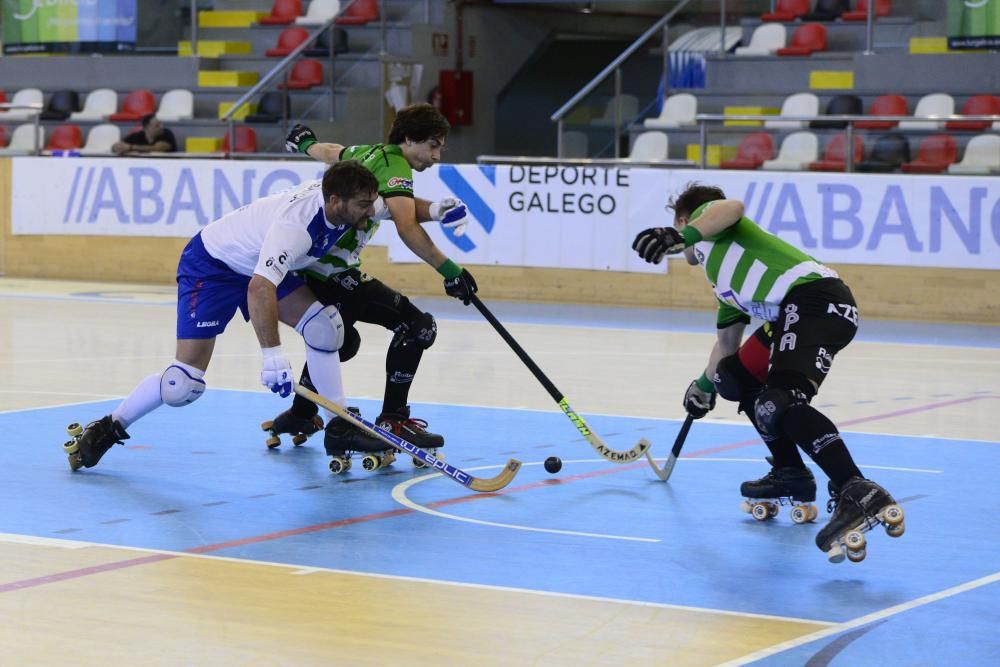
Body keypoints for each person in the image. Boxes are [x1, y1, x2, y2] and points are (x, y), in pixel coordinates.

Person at [632, 182, 904, 561]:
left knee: (779, 400)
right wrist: (704, 387)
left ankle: (856, 489)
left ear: (684, 218)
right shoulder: (726, 286)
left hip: (814, 299)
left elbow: (732, 207)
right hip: (801, 311)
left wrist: (680, 233)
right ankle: (790, 471)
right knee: (734, 376)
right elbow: (727, 346)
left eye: (681, 224)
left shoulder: (709, 225)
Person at [63, 161, 380, 471]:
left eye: (372, 203)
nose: (371, 211)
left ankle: (339, 427)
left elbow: (400, 209)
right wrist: (272, 358)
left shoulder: (347, 200)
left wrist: (433, 211)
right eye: (364, 205)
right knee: (182, 385)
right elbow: (260, 289)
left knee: (324, 328)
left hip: (257, 264)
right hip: (213, 266)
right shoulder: (295, 228)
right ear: (335, 201)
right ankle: (108, 426)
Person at [264, 103, 477, 458]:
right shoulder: (397, 166)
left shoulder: (370, 152)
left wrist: (304, 144)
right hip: (332, 272)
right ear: (409, 140)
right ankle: (394, 420)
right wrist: (451, 272)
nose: (437, 156)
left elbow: (331, 152)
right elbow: (406, 225)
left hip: (315, 269)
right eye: (433, 145)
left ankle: (301, 414)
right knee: (418, 326)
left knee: (341, 341)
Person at [111, 114, 178, 155]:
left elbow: (157, 148)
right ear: (146, 128)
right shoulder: (138, 136)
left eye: (160, 124)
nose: (161, 127)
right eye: (157, 125)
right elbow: (116, 146)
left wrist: (130, 148)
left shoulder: (166, 133)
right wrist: (117, 147)